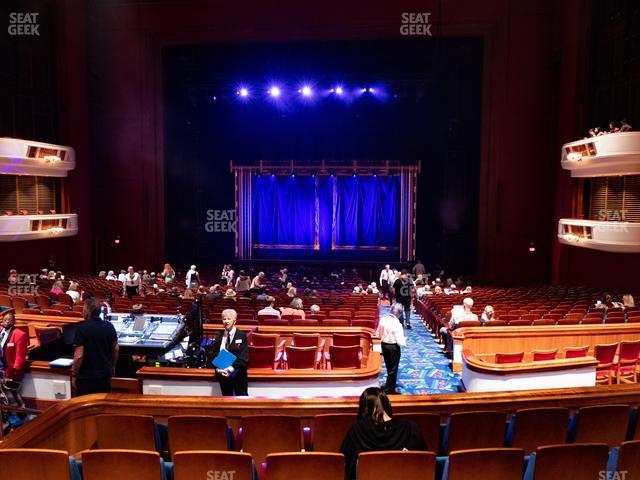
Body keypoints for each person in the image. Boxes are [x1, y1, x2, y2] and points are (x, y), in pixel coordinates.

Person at [340, 387, 426, 480]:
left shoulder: (357, 430)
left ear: (365, 409)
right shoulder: (410, 428)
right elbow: (425, 463)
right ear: (388, 404)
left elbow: (343, 464)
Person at [72, 297, 119, 396]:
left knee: (86, 408)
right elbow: (115, 349)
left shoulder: (81, 327)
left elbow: (79, 355)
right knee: (103, 406)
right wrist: (112, 366)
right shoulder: (109, 326)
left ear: (87, 311)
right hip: (104, 375)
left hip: (86, 377)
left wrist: (74, 374)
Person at [212, 309, 248, 396]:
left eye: (229, 319)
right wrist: (218, 369)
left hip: (238, 375)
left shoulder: (241, 335)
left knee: (242, 402)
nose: (226, 321)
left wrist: (230, 369)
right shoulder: (219, 336)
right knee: (226, 401)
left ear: (234, 321)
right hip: (222, 375)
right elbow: (215, 355)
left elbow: (243, 358)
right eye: (224, 319)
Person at [376, 304, 407, 395]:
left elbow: (378, 334)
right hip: (393, 347)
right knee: (393, 369)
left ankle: (390, 387)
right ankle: (389, 390)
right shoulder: (397, 324)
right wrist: (404, 340)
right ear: (400, 314)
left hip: (384, 345)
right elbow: (400, 342)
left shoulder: (383, 319)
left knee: (389, 367)